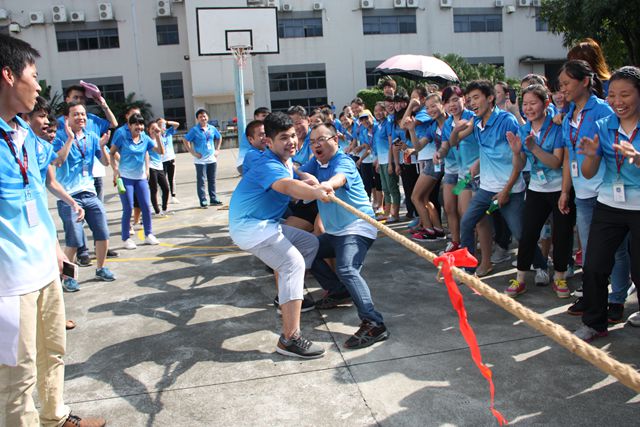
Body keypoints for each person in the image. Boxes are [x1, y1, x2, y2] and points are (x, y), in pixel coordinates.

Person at [0, 34, 106, 427]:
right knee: (16, 376)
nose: (39, 85)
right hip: (10, 285)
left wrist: (55, 248)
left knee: (53, 351)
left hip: (44, 270)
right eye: (34, 74)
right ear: (9, 76)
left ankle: (55, 417)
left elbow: (36, 194)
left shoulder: (23, 135)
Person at [228, 112, 330, 359]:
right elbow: (286, 185)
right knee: (293, 264)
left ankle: (286, 294)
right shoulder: (267, 165)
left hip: (266, 224)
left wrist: (305, 175)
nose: (291, 142)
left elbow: (292, 172)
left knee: (308, 243)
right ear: (269, 142)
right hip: (251, 227)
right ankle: (290, 339)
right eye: (284, 138)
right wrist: (315, 191)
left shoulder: (283, 160)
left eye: (293, 136)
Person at [299, 121, 389, 349]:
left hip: (357, 227)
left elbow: (339, 178)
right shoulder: (316, 162)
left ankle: (374, 323)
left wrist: (326, 185)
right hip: (335, 231)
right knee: (307, 251)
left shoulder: (343, 161)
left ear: (335, 140)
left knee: (347, 269)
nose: (316, 145)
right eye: (312, 142)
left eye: (321, 140)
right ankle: (339, 291)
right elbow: (298, 172)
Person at [558, 60, 631, 322]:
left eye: (567, 83)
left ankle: (616, 299)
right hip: (584, 190)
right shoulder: (568, 116)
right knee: (590, 251)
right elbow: (569, 155)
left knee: (618, 251)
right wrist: (566, 190)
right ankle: (593, 298)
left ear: (585, 81)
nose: (562, 89)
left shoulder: (602, 111)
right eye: (561, 85)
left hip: (608, 191)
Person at [451, 80, 547, 277]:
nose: (472, 103)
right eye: (469, 99)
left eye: (476, 98)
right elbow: (457, 143)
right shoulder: (477, 123)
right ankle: (468, 269)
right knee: (467, 222)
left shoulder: (507, 121)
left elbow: (519, 160)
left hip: (510, 188)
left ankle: (541, 266)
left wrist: (505, 190)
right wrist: (475, 164)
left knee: (521, 234)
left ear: (490, 98)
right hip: (485, 188)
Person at [573, 66, 640, 341]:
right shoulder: (604, 126)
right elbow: (589, 173)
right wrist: (591, 156)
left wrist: (637, 157)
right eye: (612, 94)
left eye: (625, 94)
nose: (617, 101)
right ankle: (595, 322)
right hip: (609, 204)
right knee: (595, 266)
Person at [506, 84, 575, 298]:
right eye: (525, 104)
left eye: (533, 103)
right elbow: (521, 164)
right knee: (528, 234)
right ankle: (520, 279)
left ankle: (560, 277)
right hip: (535, 188)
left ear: (546, 103)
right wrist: (517, 152)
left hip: (559, 189)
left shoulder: (557, 127)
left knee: (561, 234)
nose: (528, 108)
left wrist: (534, 147)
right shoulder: (524, 128)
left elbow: (556, 162)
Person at [54, 102, 116, 291]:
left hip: (90, 193)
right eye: (76, 115)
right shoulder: (59, 137)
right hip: (69, 196)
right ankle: (68, 277)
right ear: (67, 119)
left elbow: (105, 162)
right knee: (74, 239)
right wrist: (70, 139)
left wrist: (102, 146)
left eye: (83, 114)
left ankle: (101, 268)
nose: (81, 118)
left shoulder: (92, 136)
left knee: (103, 233)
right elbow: (58, 161)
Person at [110, 113, 163, 249]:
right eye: (136, 124)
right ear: (129, 125)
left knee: (146, 205)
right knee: (128, 208)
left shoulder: (145, 138)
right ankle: (126, 238)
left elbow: (160, 151)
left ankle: (148, 234)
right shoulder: (122, 136)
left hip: (140, 178)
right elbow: (111, 153)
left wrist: (157, 135)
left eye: (141, 124)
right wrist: (115, 169)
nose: (139, 127)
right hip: (125, 178)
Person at [406, 93, 447, 241]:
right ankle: (435, 229)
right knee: (420, 197)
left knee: (417, 197)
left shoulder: (453, 121)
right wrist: (411, 130)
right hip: (436, 164)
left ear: (443, 104)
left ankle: (431, 230)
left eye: (433, 106)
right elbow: (418, 147)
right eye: (428, 107)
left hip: (453, 167)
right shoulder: (433, 127)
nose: (430, 110)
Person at [184, 109, 223, 208]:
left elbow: (219, 137)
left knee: (212, 179)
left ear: (207, 117)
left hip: (211, 158)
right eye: (200, 116)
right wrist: (193, 152)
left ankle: (213, 198)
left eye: (204, 116)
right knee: (201, 180)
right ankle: (203, 200)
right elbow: (185, 140)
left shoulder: (212, 128)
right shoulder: (194, 130)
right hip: (200, 160)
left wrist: (217, 150)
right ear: (197, 119)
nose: (203, 118)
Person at [373, 101, 400, 222]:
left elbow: (390, 144)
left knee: (392, 188)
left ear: (385, 111)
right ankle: (387, 213)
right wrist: (379, 161)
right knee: (385, 189)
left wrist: (390, 164)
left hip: (389, 161)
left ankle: (395, 214)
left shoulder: (388, 124)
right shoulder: (378, 125)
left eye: (380, 110)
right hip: (382, 161)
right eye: (376, 110)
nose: (378, 113)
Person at [237, 106, 270, 174]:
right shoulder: (252, 130)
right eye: (263, 115)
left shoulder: (262, 129)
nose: (266, 118)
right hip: (245, 162)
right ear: (256, 117)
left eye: (267, 116)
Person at [147, 120, 171, 216]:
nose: (154, 130)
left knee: (165, 188)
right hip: (151, 166)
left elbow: (162, 151)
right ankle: (157, 211)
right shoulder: (147, 140)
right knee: (154, 189)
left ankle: (164, 209)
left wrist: (158, 137)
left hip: (159, 166)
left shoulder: (159, 138)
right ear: (148, 130)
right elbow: (159, 151)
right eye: (152, 129)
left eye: (156, 128)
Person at [159, 118, 181, 203]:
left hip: (171, 158)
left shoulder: (169, 132)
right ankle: (164, 197)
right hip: (161, 160)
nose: (163, 126)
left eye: (163, 125)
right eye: (160, 125)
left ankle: (173, 196)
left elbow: (177, 124)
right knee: (162, 180)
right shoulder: (157, 135)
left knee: (172, 178)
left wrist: (167, 122)